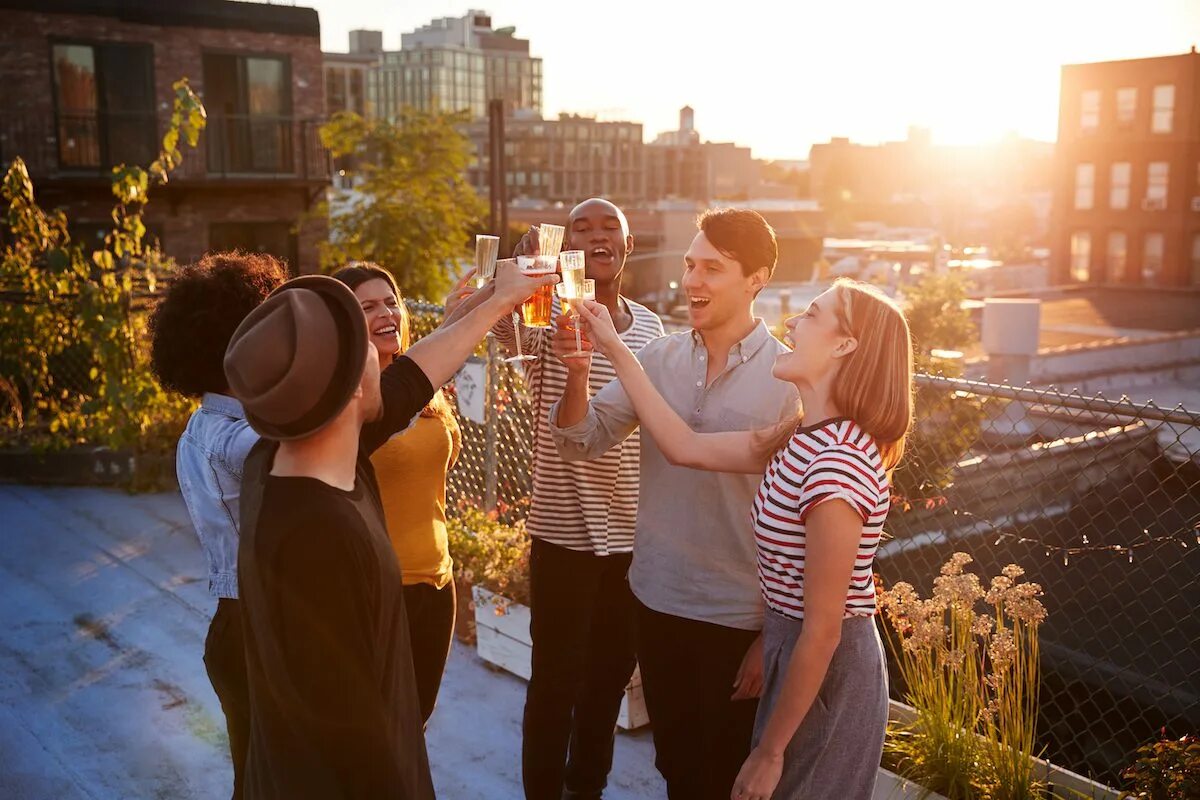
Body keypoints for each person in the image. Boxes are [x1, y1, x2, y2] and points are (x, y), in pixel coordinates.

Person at [225, 263, 556, 799]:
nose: (392, 360)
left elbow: (416, 374)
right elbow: (350, 736)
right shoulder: (317, 540)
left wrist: (496, 301)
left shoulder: (292, 452)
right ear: (352, 387)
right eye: (368, 353)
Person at [576, 277, 914, 800]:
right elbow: (684, 446)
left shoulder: (836, 467)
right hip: (792, 650)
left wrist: (770, 751)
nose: (792, 324)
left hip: (824, 672)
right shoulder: (800, 435)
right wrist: (614, 346)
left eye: (812, 315)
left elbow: (823, 630)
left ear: (845, 345)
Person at [550, 209, 798, 799]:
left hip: (741, 619)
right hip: (656, 601)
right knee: (676, 770)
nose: (692, 281)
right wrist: (580, 372)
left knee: (729, 778)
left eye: (712, 268)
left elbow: (803, 525)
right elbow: (581, 440)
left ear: (756, 279)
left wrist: (771, 636)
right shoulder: (659, 359)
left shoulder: (789, 376)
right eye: (690, 265)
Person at [447, 198, 664, 800]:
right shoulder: (544, 318)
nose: (596, 236)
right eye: (581, 227)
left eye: (608, 228)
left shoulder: (651, 329)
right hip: (562, 534)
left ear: (628, 246)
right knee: (554, 685)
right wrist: (510, 279)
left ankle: (585, 791)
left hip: (631, 538)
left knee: (607, 686)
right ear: (564, 245)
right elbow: (476, 322)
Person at [148, 251, 287, 800]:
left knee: (255, 778)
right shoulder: (241, 440)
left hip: (235, 626)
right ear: (241, 347)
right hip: (257, 629)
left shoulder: (203, 425)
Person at [333, 263, 461, 725]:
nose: (386, 313)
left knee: (415, 725)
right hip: (379, 591)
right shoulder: (347, 402)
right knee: (377, 732)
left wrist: (457, 322)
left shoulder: (427, 391)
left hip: (437, 583)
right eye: (367, 307)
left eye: (390, 301)